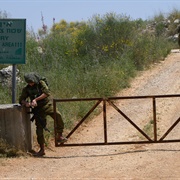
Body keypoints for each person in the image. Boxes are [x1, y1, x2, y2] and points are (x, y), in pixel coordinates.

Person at [19, 72, 67, 156]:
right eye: (29, 82)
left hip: (46, 105)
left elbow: (47, 92)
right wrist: (26, 103)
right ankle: (42, 149)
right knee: (39, 129)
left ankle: (59, 135)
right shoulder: (26, 89)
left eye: (32, 82)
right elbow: (21, 99)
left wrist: (35, 100)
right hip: (38, 110)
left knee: (58, 115)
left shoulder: (41, 83)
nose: (30, 84)